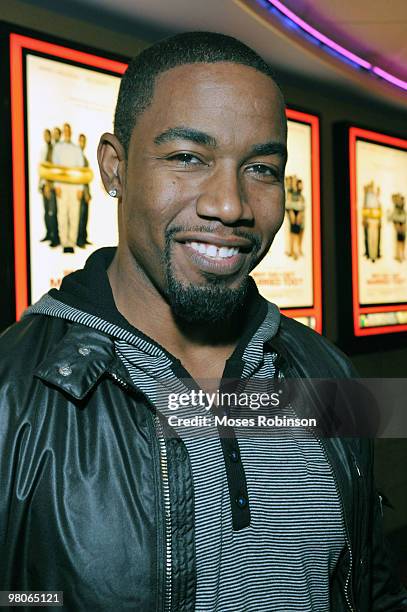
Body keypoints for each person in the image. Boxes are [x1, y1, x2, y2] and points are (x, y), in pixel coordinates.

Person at [0, 32, 406, 612]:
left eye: (262, 168)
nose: (230, 205)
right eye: (188, 157)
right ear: (115, 169)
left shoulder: (326, 369)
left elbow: (371, 589)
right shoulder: (13, 394)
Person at [52, 122, 85, 253]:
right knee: (62, 213)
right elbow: (55, 167)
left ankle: (71, 242)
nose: (66, 133)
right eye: (64, 130)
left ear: (70, 132)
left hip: (74, 186)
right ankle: (64, 242)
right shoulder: (57, 148)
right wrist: (57, 185)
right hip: (62, 185)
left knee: (74, 213)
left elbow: (81, 169)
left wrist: (80, 188)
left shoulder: (76, 149)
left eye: (68, 130)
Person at [38, 128, 59, 246]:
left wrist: (49, 184)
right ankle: (48, 233)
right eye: (44, 135)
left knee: (52, 211)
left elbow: (52, 169)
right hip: (43, 185)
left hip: (51, 185)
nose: (46, 137)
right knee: (46, 211)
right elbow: (41, 168)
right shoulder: (43, 149)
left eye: (48, 135)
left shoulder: (54, 149)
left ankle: (54, 237)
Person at [76, 133, 92, 248]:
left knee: (85, 215)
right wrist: (81, 190)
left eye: (84, 141)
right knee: (80, 216)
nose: (83, 143)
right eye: (81, 141)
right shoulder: (76, 156)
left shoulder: (83, 156)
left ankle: (84, 238)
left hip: (85, 190)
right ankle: (80, 240)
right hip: (79, 191)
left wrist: (88, 193)